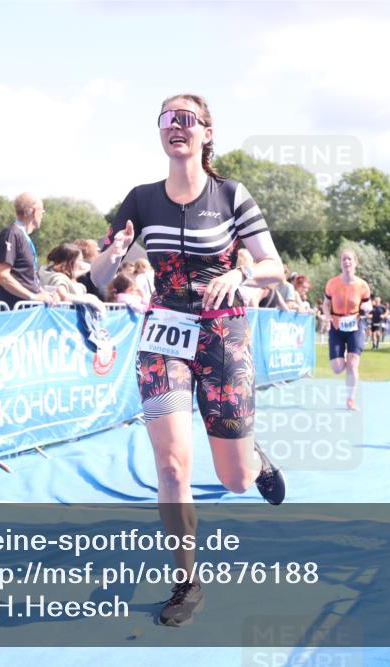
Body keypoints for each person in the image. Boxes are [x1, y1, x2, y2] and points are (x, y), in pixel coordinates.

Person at [88, 93, 287, 627]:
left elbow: (274, 268)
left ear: (206, 132)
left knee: (234, 479)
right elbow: (102, 278)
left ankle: (254, 461)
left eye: (187, 118)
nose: (177, 126)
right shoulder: (139, 199)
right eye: (168, 118)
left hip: (223, 334)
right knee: (172, 465)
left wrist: (240, 275)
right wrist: (115, 251)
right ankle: (186, 580)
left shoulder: (231, 195)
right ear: (160, 131)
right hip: (164, 336)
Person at [0, 193, 58, 308]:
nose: (42, 216)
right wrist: (33, 297)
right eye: (42, 212)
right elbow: (1, 276)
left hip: (25, 311)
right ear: (35, 211)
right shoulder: (11, 234)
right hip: (13, 313)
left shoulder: (22, 236)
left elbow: (25, 278)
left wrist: (44, 294)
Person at [323, 249, 372, 410]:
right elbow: (326, 304)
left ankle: (350, 400)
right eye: (344, 259)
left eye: (350, 259)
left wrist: (367, 307)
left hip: (355, 325)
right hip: (337, 326)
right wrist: (327, 316)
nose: (347, 262)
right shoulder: (332, 283)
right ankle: (343, 355)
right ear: (341, 263)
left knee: (352, 364)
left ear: (355, 262)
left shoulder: (362, 285)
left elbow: (368, 304)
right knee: (337, 369)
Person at [38, 243, 105, 310]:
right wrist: (90, 300)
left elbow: (69, 276)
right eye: (79, 260)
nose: (81, 264)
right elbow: (64, 296)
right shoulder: (58, 278)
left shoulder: (47, 271)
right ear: (70, 262)